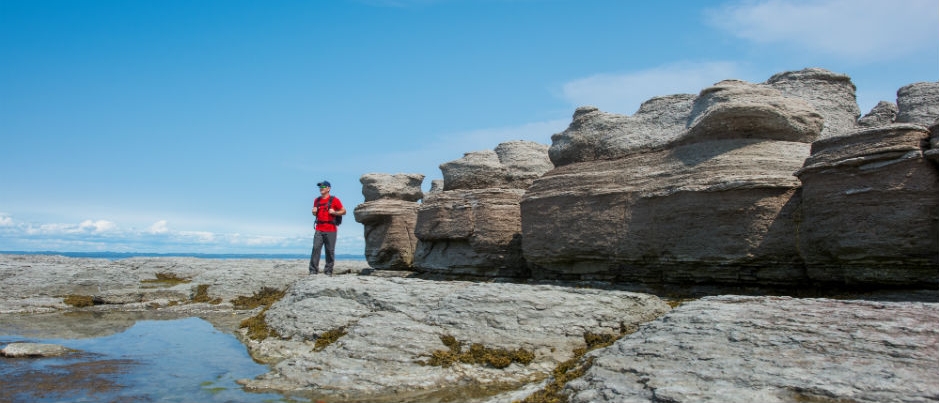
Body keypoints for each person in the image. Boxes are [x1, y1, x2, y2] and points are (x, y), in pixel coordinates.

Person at [309, 180, 346, 275]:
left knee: (330, 251)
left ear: (328, 188)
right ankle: (313, 270)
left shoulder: (335, 200)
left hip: (331, 229)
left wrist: (334, 213)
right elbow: (315, 213)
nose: (321, 188)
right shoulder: (316, 200)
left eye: (323, 187)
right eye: (320, 187)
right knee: (316, 248)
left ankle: (328, 271)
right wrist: (314, 212)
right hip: (319, 228)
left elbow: (344, 211)